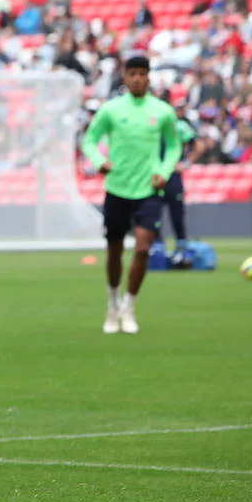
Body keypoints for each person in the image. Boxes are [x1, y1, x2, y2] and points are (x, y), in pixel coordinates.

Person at [82, 56, 180, 335]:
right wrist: (99, 161)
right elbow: (89, 139)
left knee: (142, 247)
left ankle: (129, 305)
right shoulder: (111, 110)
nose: (137, 78)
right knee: (114, 249)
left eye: (142, 74)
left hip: (148, 189)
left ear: (149, 78)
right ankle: (112, 304)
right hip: (117, 188)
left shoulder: (162, 111)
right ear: (124, 78)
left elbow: (173, 146)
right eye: (132, 73)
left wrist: (164, 169)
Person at [159, 107, 199, 263]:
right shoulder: (151, 127)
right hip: (155, 176)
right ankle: (157, 250)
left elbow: (197, 145)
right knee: (153, 215)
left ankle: (182, 249)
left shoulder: (180, 126)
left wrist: (186, 163)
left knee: (177, 216)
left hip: (173, 177)